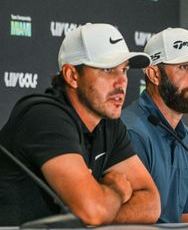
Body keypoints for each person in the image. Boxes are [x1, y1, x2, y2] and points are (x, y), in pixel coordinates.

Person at [0, 23, 161, 226]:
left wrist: (101, 206)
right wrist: (117, 190)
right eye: (107, 69)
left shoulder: (108, 123)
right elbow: (93, 211)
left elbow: (151, 203)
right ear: (72, 75)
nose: (121, 82)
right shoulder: (44, 116)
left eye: (124, 70)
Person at [121, 27, 188, 223]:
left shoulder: (187, 137)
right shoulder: (131, 132)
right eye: (184, 67)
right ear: (154, 74)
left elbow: (186, 219)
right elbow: (127, 225)